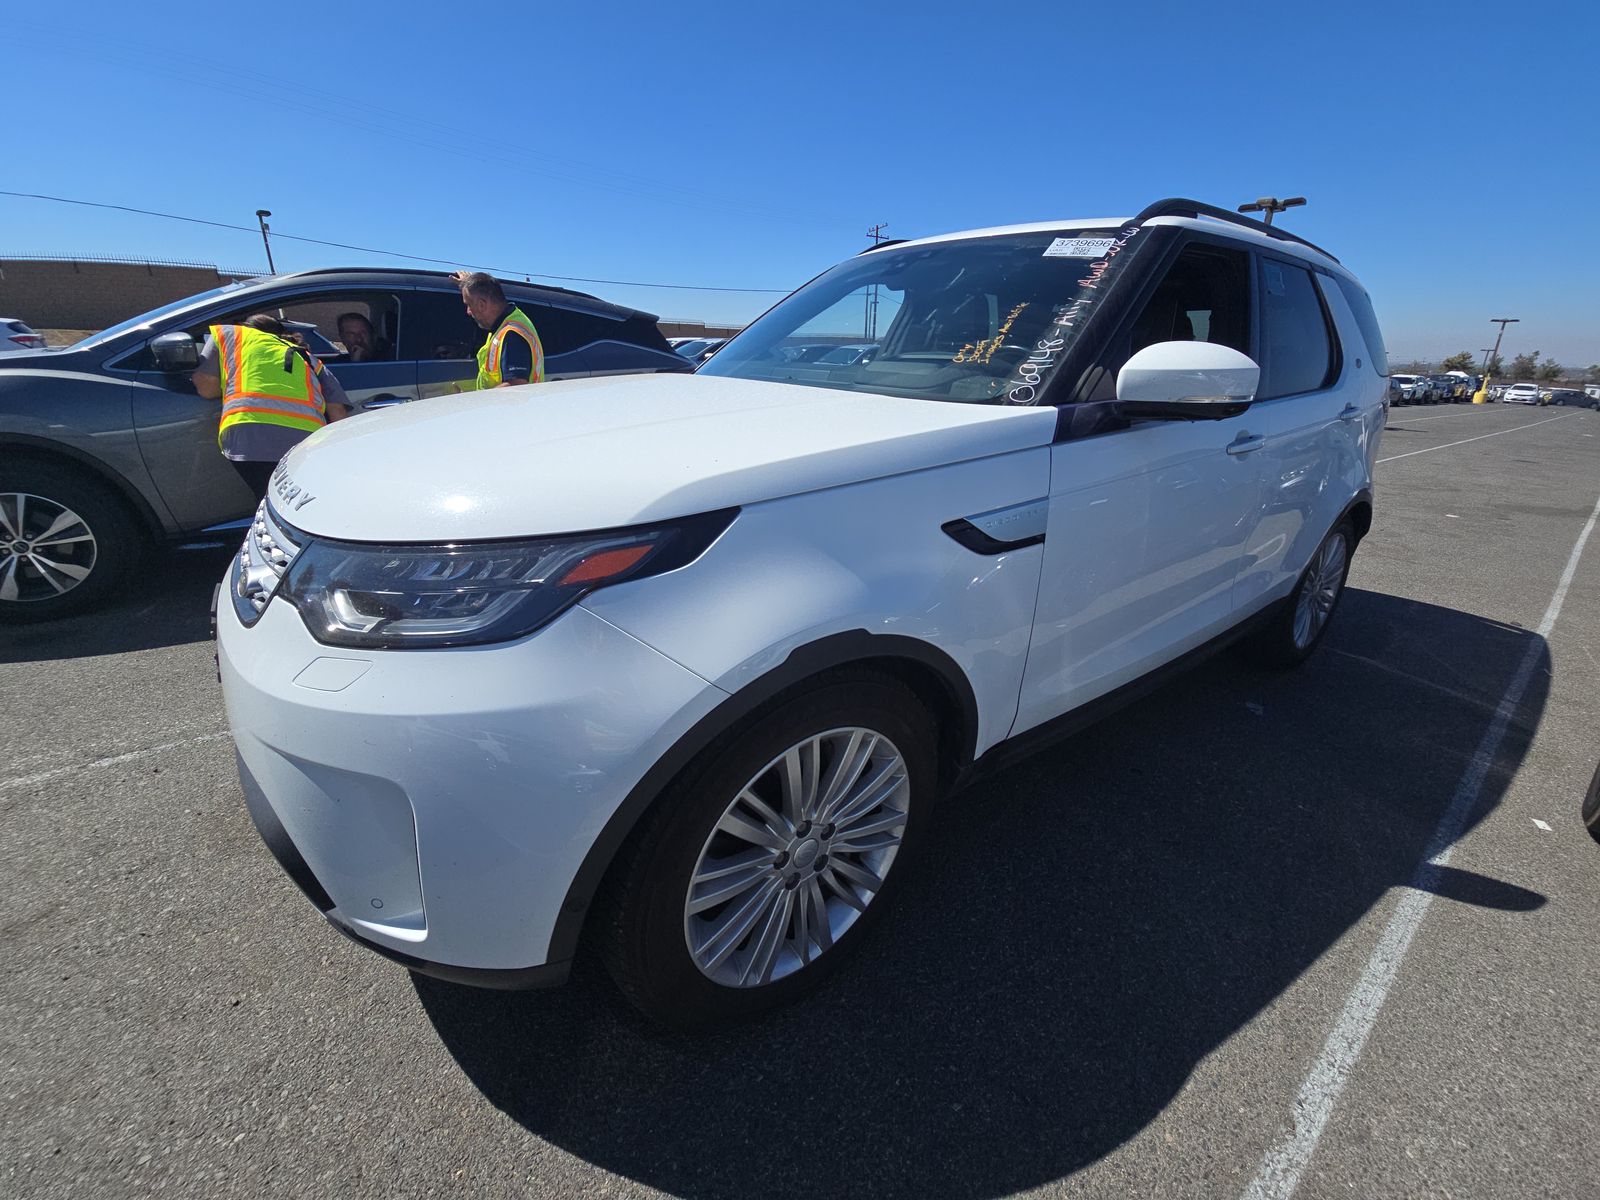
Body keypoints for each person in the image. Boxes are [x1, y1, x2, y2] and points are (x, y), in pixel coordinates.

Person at [191, 313, 350, 501]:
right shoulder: (307, 357)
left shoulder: (230, 334)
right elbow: (337, 411)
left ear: (245, 326)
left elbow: (206, 388)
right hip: (305, 442)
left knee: (271, 502)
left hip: (249, 436)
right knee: (295, 504)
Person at [450, 270, 544, 389]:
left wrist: (476, 402)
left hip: (508, 407)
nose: (468, 311)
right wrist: (469, 284)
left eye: (469, 304)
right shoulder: (508, 322)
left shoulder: (512, 335)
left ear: (481, 305)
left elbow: (516, 386)